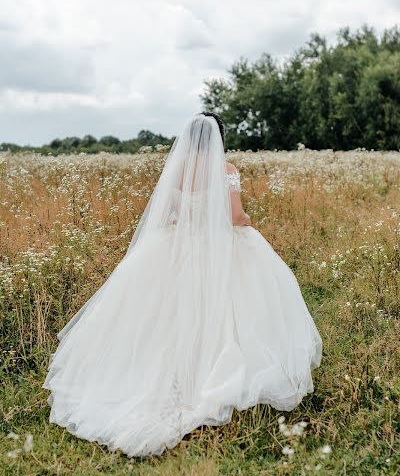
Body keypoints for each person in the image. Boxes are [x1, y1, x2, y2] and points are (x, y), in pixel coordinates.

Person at [42, 112, 322, 457]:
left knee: (164, 316)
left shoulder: (178, 169)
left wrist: (184, 220)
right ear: (219, 138)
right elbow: (234, 217)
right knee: (231, 309)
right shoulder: (227, 171)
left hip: (178, 247)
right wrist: (249, 222)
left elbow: (171, 213)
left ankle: (164, 379)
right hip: (216, 249)